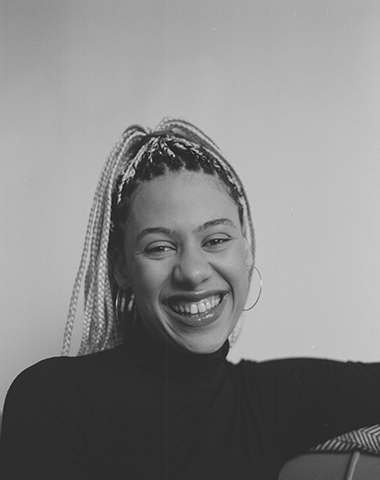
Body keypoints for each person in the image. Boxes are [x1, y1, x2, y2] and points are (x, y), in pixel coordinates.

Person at [0, 118, 380, 480]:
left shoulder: (273, 400)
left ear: (246, 251)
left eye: (215, 240)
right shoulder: (54, 400)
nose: (193, 271)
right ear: (121, 269)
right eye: (160, 247)